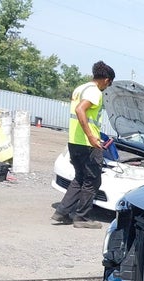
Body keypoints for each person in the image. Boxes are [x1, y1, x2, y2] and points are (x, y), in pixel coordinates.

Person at [51, 60, 116, 229]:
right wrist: (92, 137)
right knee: (93, 181)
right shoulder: (95, 92)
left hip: (74, 141)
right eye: (109, 84)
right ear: (106, 80)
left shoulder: (80, 88)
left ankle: (62, 212)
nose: (107, 87)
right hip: (88, 144)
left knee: (80, 177)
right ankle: (82, 218)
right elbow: (80, 110)